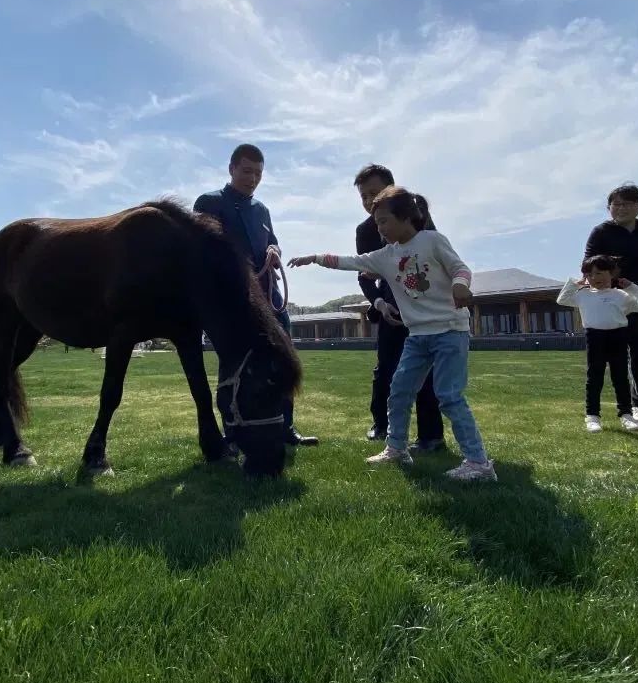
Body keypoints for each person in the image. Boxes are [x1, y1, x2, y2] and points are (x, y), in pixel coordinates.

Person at [288, 186, 496, 481]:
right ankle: (396, 448)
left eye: (384, 221)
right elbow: (351, 261)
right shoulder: (386, 256)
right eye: (377, 223)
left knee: (449, 396)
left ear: (405, 217)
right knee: (398, 391)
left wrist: (460, 284)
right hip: (417, 336)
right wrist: (315, 257)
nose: (380, 228)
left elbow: (460, 268)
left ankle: (478, 463)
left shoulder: (432, 241)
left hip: (450, 331)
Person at [194, 144, 318, 447]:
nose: (253, 178)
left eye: (258, 173)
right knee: (233, 365)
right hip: (232, 303)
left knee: (282, 360)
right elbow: (199, 250)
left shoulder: (262, 209)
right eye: (247, 171)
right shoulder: (209, 202)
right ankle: (233, 433)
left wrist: (275, 249)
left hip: (269, 298)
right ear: (232, 169)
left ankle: (285, 428)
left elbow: (272, 241)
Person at [353, 164, 445, 451]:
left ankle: (431, 436)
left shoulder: (414, 215)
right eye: (364, 196)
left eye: (374, 192)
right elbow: (364, 272)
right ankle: (381, 425)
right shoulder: (365, 230)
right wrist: (379, 303)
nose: (369, 200)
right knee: (386, 369)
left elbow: (432, 256)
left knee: (426, 371)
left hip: (423, 306)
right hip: (389, 307)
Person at [584, 184, 638, 424]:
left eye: (627, 204)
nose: (621, 208)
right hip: (617, 298)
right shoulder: (601, 232)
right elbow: (588, 264)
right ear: (609, 208)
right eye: (616, 204)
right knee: (632, 350)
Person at [556, 255, 638, 433]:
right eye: (590, 274)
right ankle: (592, 416)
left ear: (612, 273)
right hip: (594, 338)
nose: (595, 278)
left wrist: (632, 287)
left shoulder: (621, 295)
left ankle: (626, 415)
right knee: (594, 378)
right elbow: (562, 299)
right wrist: (575, 283)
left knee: (620, 377)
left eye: (599, 273)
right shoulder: (583, 295)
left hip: (618, 337)